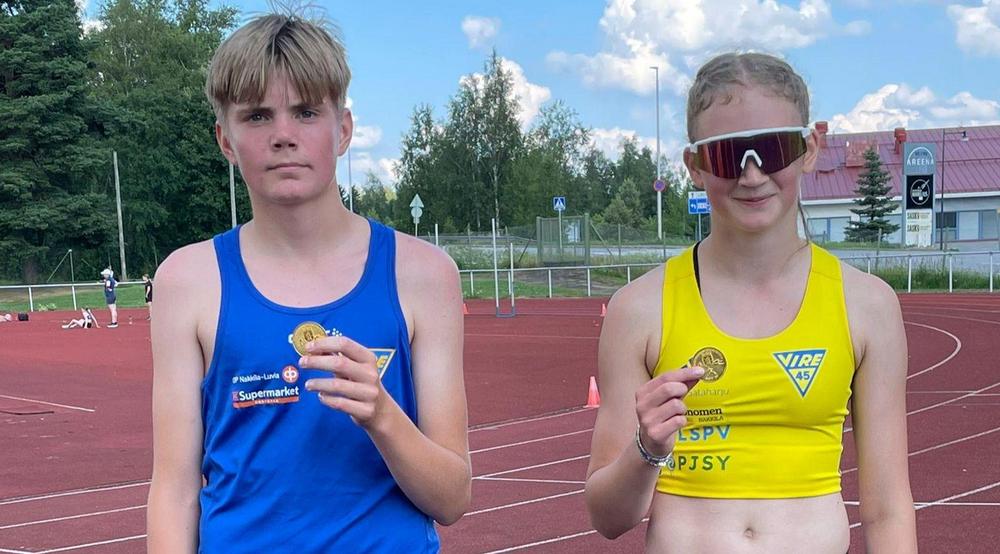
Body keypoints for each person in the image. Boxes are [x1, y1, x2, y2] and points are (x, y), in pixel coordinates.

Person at [146, 11, 470, 553]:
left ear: (343, 129)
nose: (283, 136)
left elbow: (453, 497)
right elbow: (174, 490)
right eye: (257, 116)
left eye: (306, 112)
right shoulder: (187, 281)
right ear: (225, 140)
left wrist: (382, 415)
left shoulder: (423, 274)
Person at [585, 52, 916, 553]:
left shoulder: (867, 306)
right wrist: (646, 449)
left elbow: (887, 508)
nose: (752, 174)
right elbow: (608, 517)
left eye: (773, 148)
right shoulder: (639, 309)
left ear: (808, 149)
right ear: (695, 166)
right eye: (727, 154)